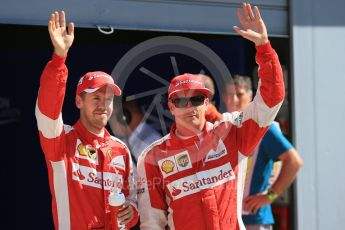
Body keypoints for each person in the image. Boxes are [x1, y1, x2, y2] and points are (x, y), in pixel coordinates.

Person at [137, 3, 286, 229]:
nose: (190, 107)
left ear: (206, 103)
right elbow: (152, 222)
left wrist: (263, 47)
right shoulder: (153, 156)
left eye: (196, 100)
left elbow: (271, 99)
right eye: (181, 100)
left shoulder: (230, 132)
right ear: (171, 106)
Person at [35, 11, 138, 229]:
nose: (103, 105)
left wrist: (132, 210)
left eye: (108, 99)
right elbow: (47, 110)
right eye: (96, 98)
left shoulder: (121, 150)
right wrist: (59, 59)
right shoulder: (61, 141)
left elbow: (133, 199)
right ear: (79, 102)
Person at [222, 75, 303, 230]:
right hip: (226, 218)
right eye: (229, 94)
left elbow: (294, 161)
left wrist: (270, 196)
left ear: (250, 96)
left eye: (239, 94)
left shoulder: (264, 127)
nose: (234, 99)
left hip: (254, 218)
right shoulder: (220, 127)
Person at [108, 99, 162, 165]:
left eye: (111, 116)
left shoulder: (149, 142)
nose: (109, 122)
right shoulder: (131, 141)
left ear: (124, 117)